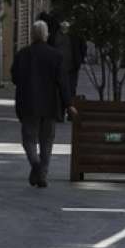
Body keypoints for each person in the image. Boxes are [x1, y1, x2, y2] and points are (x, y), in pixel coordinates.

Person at [12, 21, 77, 188]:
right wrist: (69, 104)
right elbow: (63, 83)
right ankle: (42, 172)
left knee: (28, 139)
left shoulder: (22, 55)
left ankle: (36, 165)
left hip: (28, 104)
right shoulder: (56, 56)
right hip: (50, 105)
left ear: (32, 35)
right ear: (46, 35)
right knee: (47, 140)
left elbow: (14, 78)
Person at [52, 19, 86, 102]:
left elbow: (83, 47)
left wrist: (79, 60)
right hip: (57, 69)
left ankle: (70, 109)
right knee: (58, 91)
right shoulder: (54, 34)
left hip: (71, 68)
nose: (64, 24)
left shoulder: (76, 34)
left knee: (71, 89)